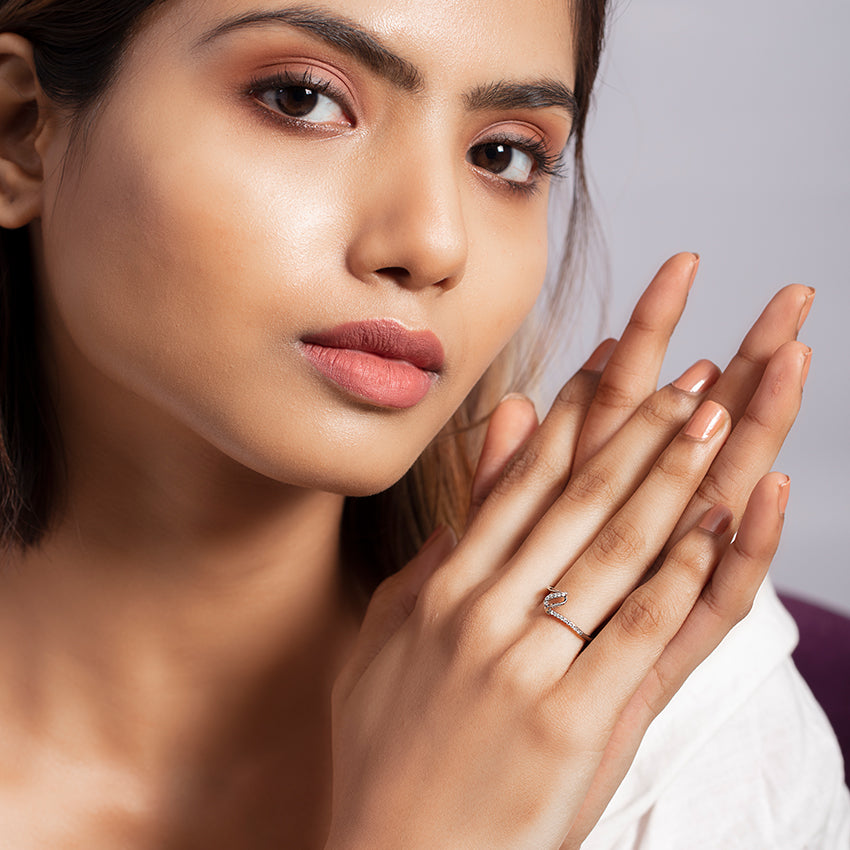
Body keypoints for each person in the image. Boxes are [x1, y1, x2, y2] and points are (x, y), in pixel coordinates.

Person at [0, 1, 845, 847]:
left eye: (503, 154)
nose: (436, 243)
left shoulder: (668, 722)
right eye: (303, 99)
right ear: (19, 130)